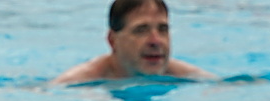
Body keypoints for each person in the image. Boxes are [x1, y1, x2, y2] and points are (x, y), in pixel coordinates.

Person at [54, 0, 217, 85]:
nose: (156, 41)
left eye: (162, 29)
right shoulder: (79, 82)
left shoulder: (188, 77)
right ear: (112, 40)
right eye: (141, 30)